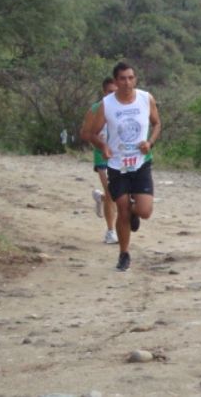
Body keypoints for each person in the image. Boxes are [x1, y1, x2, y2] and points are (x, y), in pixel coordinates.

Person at [87, 62, 161, 271]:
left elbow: (157, 123)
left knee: (145, 211)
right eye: (122, 78)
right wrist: (103, 146)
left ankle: (135, 213)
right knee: (122, 209)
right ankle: (124, 254)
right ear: (116, 81)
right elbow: (92, 133)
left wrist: (150, 142)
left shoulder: (146, 98)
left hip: (140, 163)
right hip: (117, 165)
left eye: (131, 78)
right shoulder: (107, 104)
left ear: (135, 79)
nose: (127, 82)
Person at [80, 77, 119, 245]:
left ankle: (100, 198)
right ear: (104, 93)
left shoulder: (126, 108)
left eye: (116, 91)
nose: (114, 95)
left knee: (121, 194)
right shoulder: (96, 109)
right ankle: (111, 232)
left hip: (121, 156)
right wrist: (100, 144)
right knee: (112, 193)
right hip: (102, 156)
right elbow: (85, 133)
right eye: (110, 92)